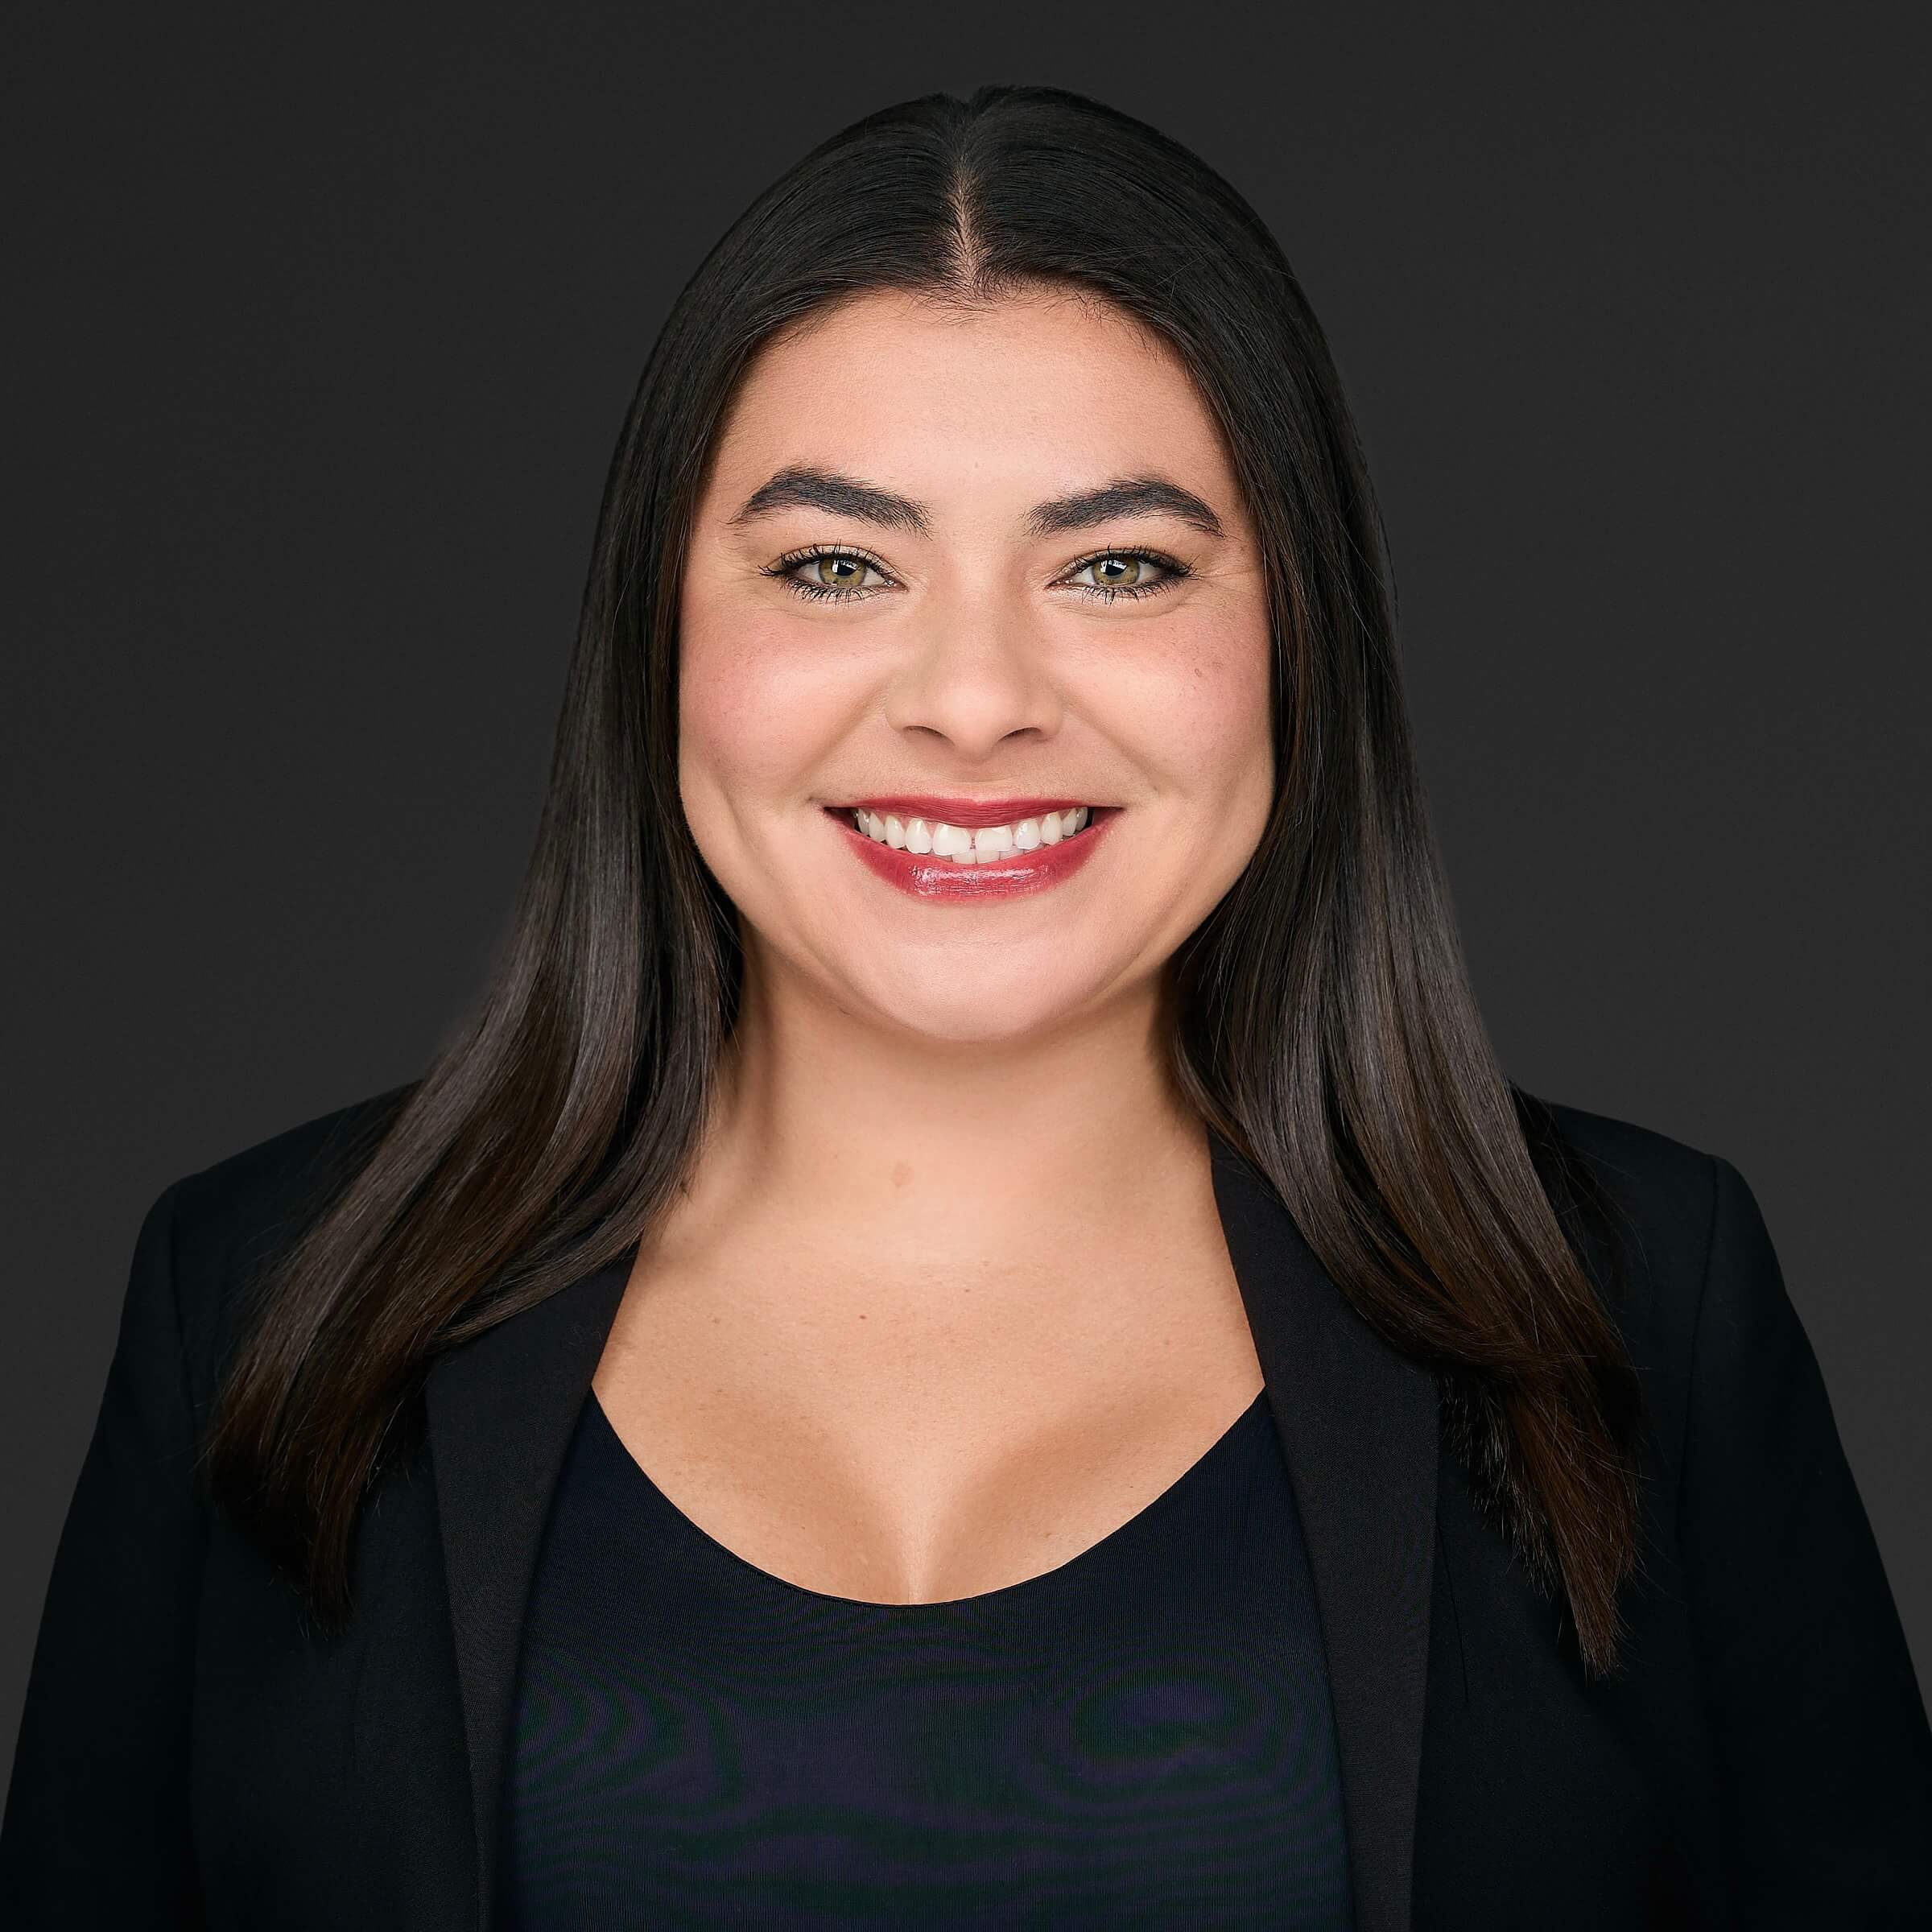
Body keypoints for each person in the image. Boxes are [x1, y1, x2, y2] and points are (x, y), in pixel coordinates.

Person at [3, 81, 1927, 1931]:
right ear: (657, 637)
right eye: (837, 567)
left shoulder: (1638, 1306)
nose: (978, 698)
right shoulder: (268, 1303)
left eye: (1117, 566)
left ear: (1292, 643)